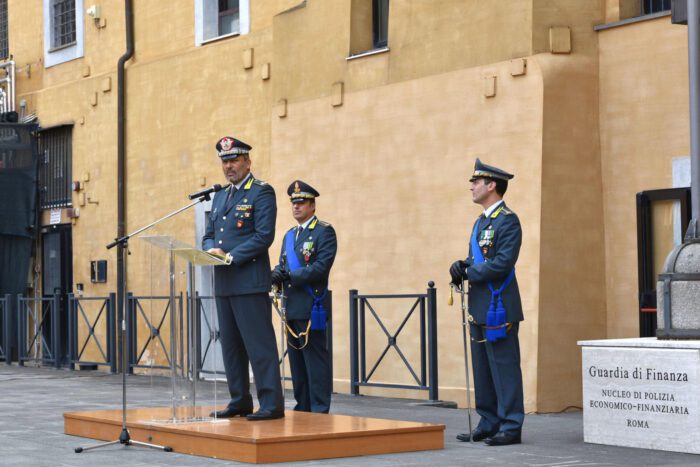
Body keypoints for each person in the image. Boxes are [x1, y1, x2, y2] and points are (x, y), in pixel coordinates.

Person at [203, 135, 284, 421]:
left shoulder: (261, 192)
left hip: (249, 280)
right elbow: (209, 233)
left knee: (258, 345)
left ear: (248, 161)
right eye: (225, 161)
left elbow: (264, 236)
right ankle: (239, 400)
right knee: (232, 347)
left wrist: (230, 255)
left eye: (234, 159)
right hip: (224, 282)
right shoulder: (221, 196)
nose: (229, 166)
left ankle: (272, 403)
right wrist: (208, 249)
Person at [450, 158, 524, 446]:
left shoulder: (508, 220)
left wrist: (471, 270)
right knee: (482, 367)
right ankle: (489, 420)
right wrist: (461, 266)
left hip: (499, 306)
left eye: (476, 182)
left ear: (491, 185)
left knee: (504, 366)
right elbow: (479, 259)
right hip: (480, 305)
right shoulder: (481, 222)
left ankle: (511, 424)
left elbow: (503, 263)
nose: (471, 186)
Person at [271, 180, 337, 413]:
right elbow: (283, 264)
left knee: (315, 359)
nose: (297, 207)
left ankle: (319, 407)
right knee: (297, 362)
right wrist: (277, 274)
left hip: (312, 305)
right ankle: (303, 405)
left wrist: (289, 274)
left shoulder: (324, 232)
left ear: (312, 206)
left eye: (302, 202)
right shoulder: (290, 235)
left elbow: (321, 267)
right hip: (291, 305)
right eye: (294, 203)